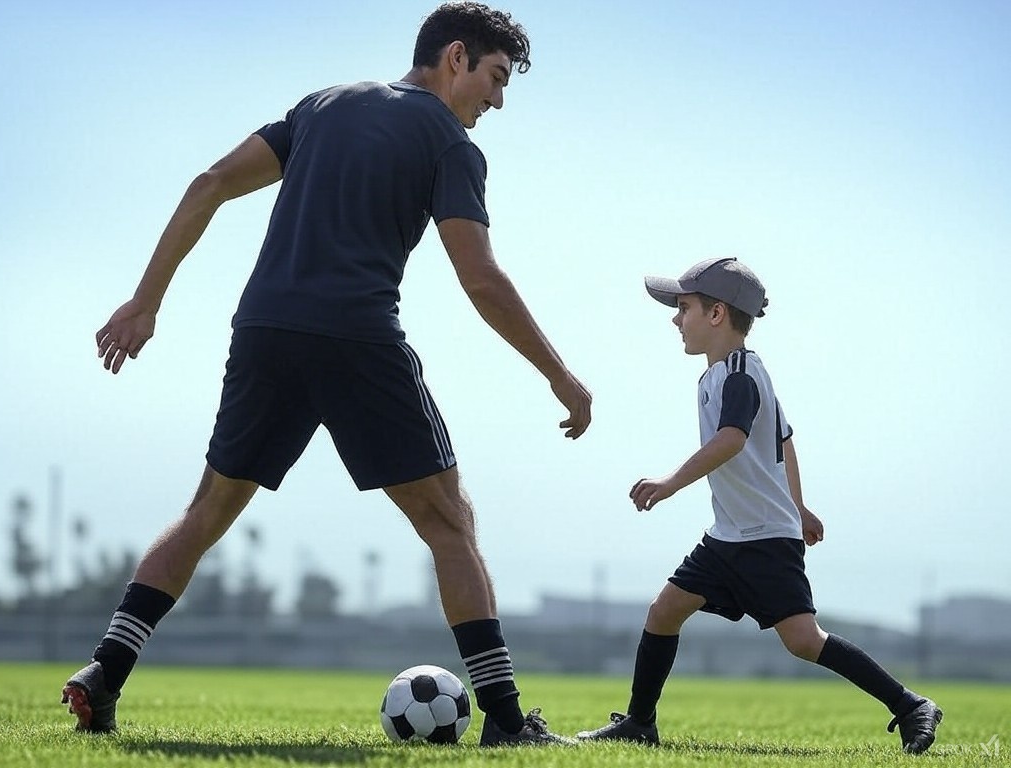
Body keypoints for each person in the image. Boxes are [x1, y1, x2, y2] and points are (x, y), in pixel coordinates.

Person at [61, 2, 591, 747]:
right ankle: (505, 722)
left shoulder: (322, 105)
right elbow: (482, 281)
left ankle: (103, 673)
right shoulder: (448, 142)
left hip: (264, 331)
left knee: (207, 510)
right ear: (457, 57)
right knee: (448, 522)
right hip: (357, 337)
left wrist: (146, 301)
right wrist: (560, 376)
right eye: (497, 79)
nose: (497, 101)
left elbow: (210, 181)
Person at [575, 257, 942, 755]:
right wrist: (802, 505)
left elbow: (732, 439)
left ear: (717, 314)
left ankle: (911, 705)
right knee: (664, 611)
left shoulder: (740, 376)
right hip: (730, 534)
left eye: (683, 307)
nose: (674, 319)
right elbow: (784, 440)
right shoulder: (724, 374)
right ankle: (640, 723)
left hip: (765, 537)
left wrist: (671, 482)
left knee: (804, 641)